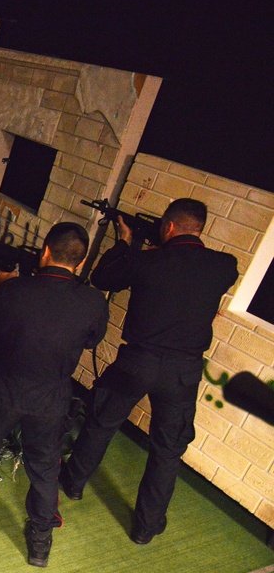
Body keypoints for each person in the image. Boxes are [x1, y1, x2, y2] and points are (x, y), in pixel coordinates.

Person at [59, 198, 239, 545]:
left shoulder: (146, 261)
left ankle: (73, 483)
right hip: (183, 371)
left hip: (137, 362)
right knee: (167, 450)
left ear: (168, 227)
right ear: (199, 228)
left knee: (101, 422)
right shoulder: (224, 266)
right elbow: (194, 281)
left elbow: (103, 278)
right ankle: (146, 527)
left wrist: (126, 242)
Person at [0, 223, 108, 567]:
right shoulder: (92, 302)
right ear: (81, 263)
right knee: (43, 466)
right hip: (51, 397)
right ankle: (40, 542)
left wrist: (5, 281)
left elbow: (2, 325)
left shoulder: (13, 291)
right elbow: (90, 340)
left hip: (4, 389)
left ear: (44, 251)